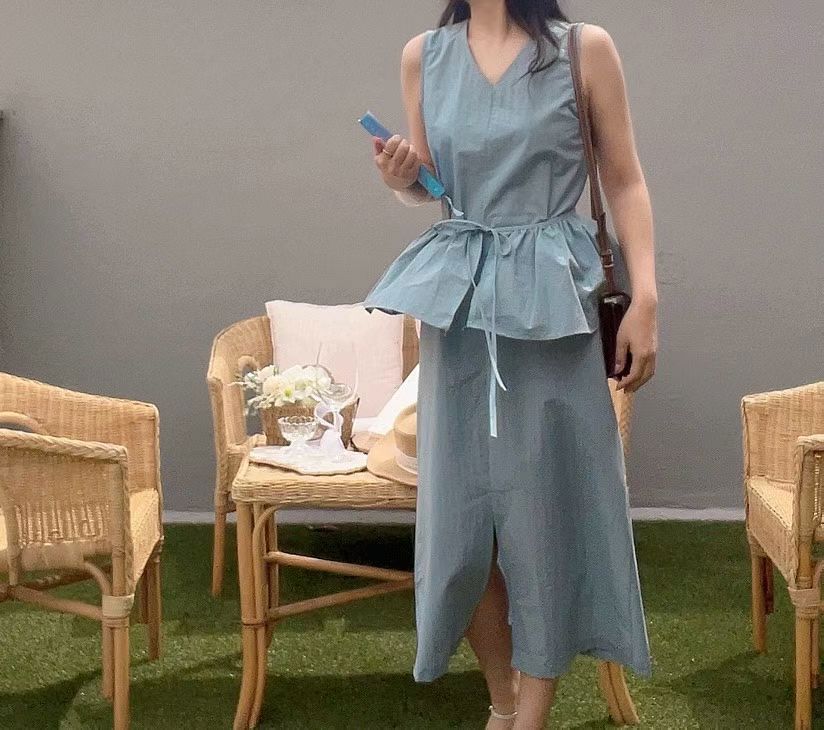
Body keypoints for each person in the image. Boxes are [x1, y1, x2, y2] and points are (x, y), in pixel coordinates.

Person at [363, 1, 657, 727]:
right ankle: (503, 699)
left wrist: (647, 297)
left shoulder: (583, 49)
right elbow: (431, 187)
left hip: (553, 307)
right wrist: (402, 176)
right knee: (460, 531)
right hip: (461, 310)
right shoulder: (423, 56)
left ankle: (530, 716)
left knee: (545, 517)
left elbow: (623, 178)